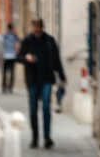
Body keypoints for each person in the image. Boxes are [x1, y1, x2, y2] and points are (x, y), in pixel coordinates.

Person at [18, 18, 66, 149]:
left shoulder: (49, 40)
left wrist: (62, 76)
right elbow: (19, 57)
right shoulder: (27, 40)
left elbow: (56, 60)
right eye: (34, 27)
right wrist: (26, 58)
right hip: (32, 79)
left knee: (46, 107)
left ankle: (47, 137)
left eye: (38, 26)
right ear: (32, 27)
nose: (36, 29)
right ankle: (34, 137)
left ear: (42, 27)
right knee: (33, 109)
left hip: (46, 78)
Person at [1, 23, 19, 92]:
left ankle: (4, 87)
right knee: (12, 72)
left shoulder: (4, 36)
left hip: (5, 56)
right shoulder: (15, 36)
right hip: (12, 56)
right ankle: (10, 87)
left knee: (4, 72)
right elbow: (18, 44)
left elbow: (2, 45)